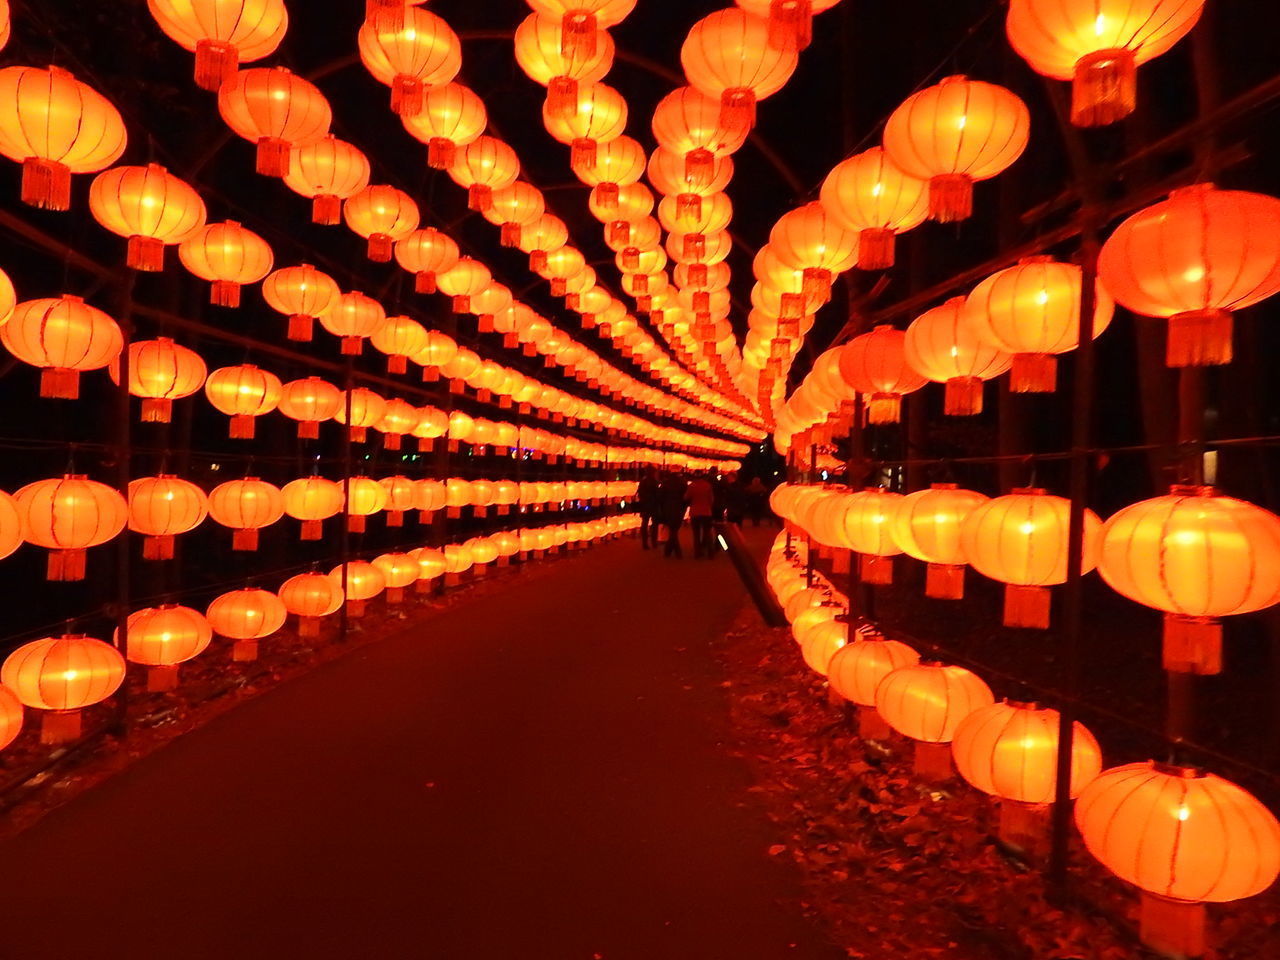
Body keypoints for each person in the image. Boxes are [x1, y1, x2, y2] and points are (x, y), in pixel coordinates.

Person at [686, 471, 716, 559]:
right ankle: (710, 553)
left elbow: (686, 497)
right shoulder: (708, 485)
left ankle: (697, 553)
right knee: (707, 533)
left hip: (695, 512)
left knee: (696, 534)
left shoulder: (692, 485)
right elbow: (711, 499)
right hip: (706, 512)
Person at [657, 473, 688, 558]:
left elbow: (660, 497)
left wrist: (662, 508)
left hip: (668, 508)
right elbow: (686, 498)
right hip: (679, 509)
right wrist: (684, 508)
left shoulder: (665, 483)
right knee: (674, 530)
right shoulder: (682, 483)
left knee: (672, 530)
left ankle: (669, 551)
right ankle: (676, 552)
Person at [636, 467, 660, 549]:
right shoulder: (654, 482)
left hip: (645, 505)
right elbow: (657, 494)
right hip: (653, 505)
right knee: (654, 524)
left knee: (645, 524)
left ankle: (645, 543)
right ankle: (654, 542)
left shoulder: (643, 481)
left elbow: (639, 493)